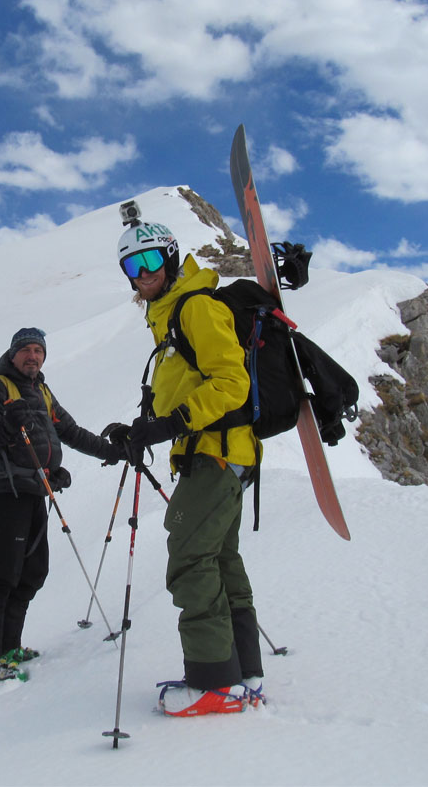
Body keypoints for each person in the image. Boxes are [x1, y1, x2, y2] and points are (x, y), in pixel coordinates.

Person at [107, 213, 265, 717]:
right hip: (217, 453)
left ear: (172, 257)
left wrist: (172, 422)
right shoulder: (170, 316)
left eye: (151, 259)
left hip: (216, 452)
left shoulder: (195, 306)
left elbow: (231, 383)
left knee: (190, 558)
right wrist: (141, 428)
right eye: (131, 265)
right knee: (219, 559)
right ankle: (244, 674)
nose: (143, 272)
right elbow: (185, 387)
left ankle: (213, 682)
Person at [0, 326, 120, 688]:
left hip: (35, 490)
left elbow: (71, 431)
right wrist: (4, 428)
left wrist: (113, 451)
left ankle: (8, 648)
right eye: (26, 350)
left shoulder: (42, 391)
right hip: (5, 492)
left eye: (39, 350)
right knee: (1, 575)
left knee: (32, 572)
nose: (33, 356)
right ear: (13, 354)